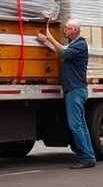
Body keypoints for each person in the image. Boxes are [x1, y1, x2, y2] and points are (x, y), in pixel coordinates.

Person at [37, 18, 96, 169]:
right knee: (81, 125)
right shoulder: (74, 45)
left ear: (75, 30)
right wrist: (46, 42)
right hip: (75, 90)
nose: (65, 31)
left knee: (75, 125)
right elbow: (61, 50)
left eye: (68, 28)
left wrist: (50, 37)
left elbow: (63, 52)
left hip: (76, 90)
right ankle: (89, 156)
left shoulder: (80, 45)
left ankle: (86, 157)